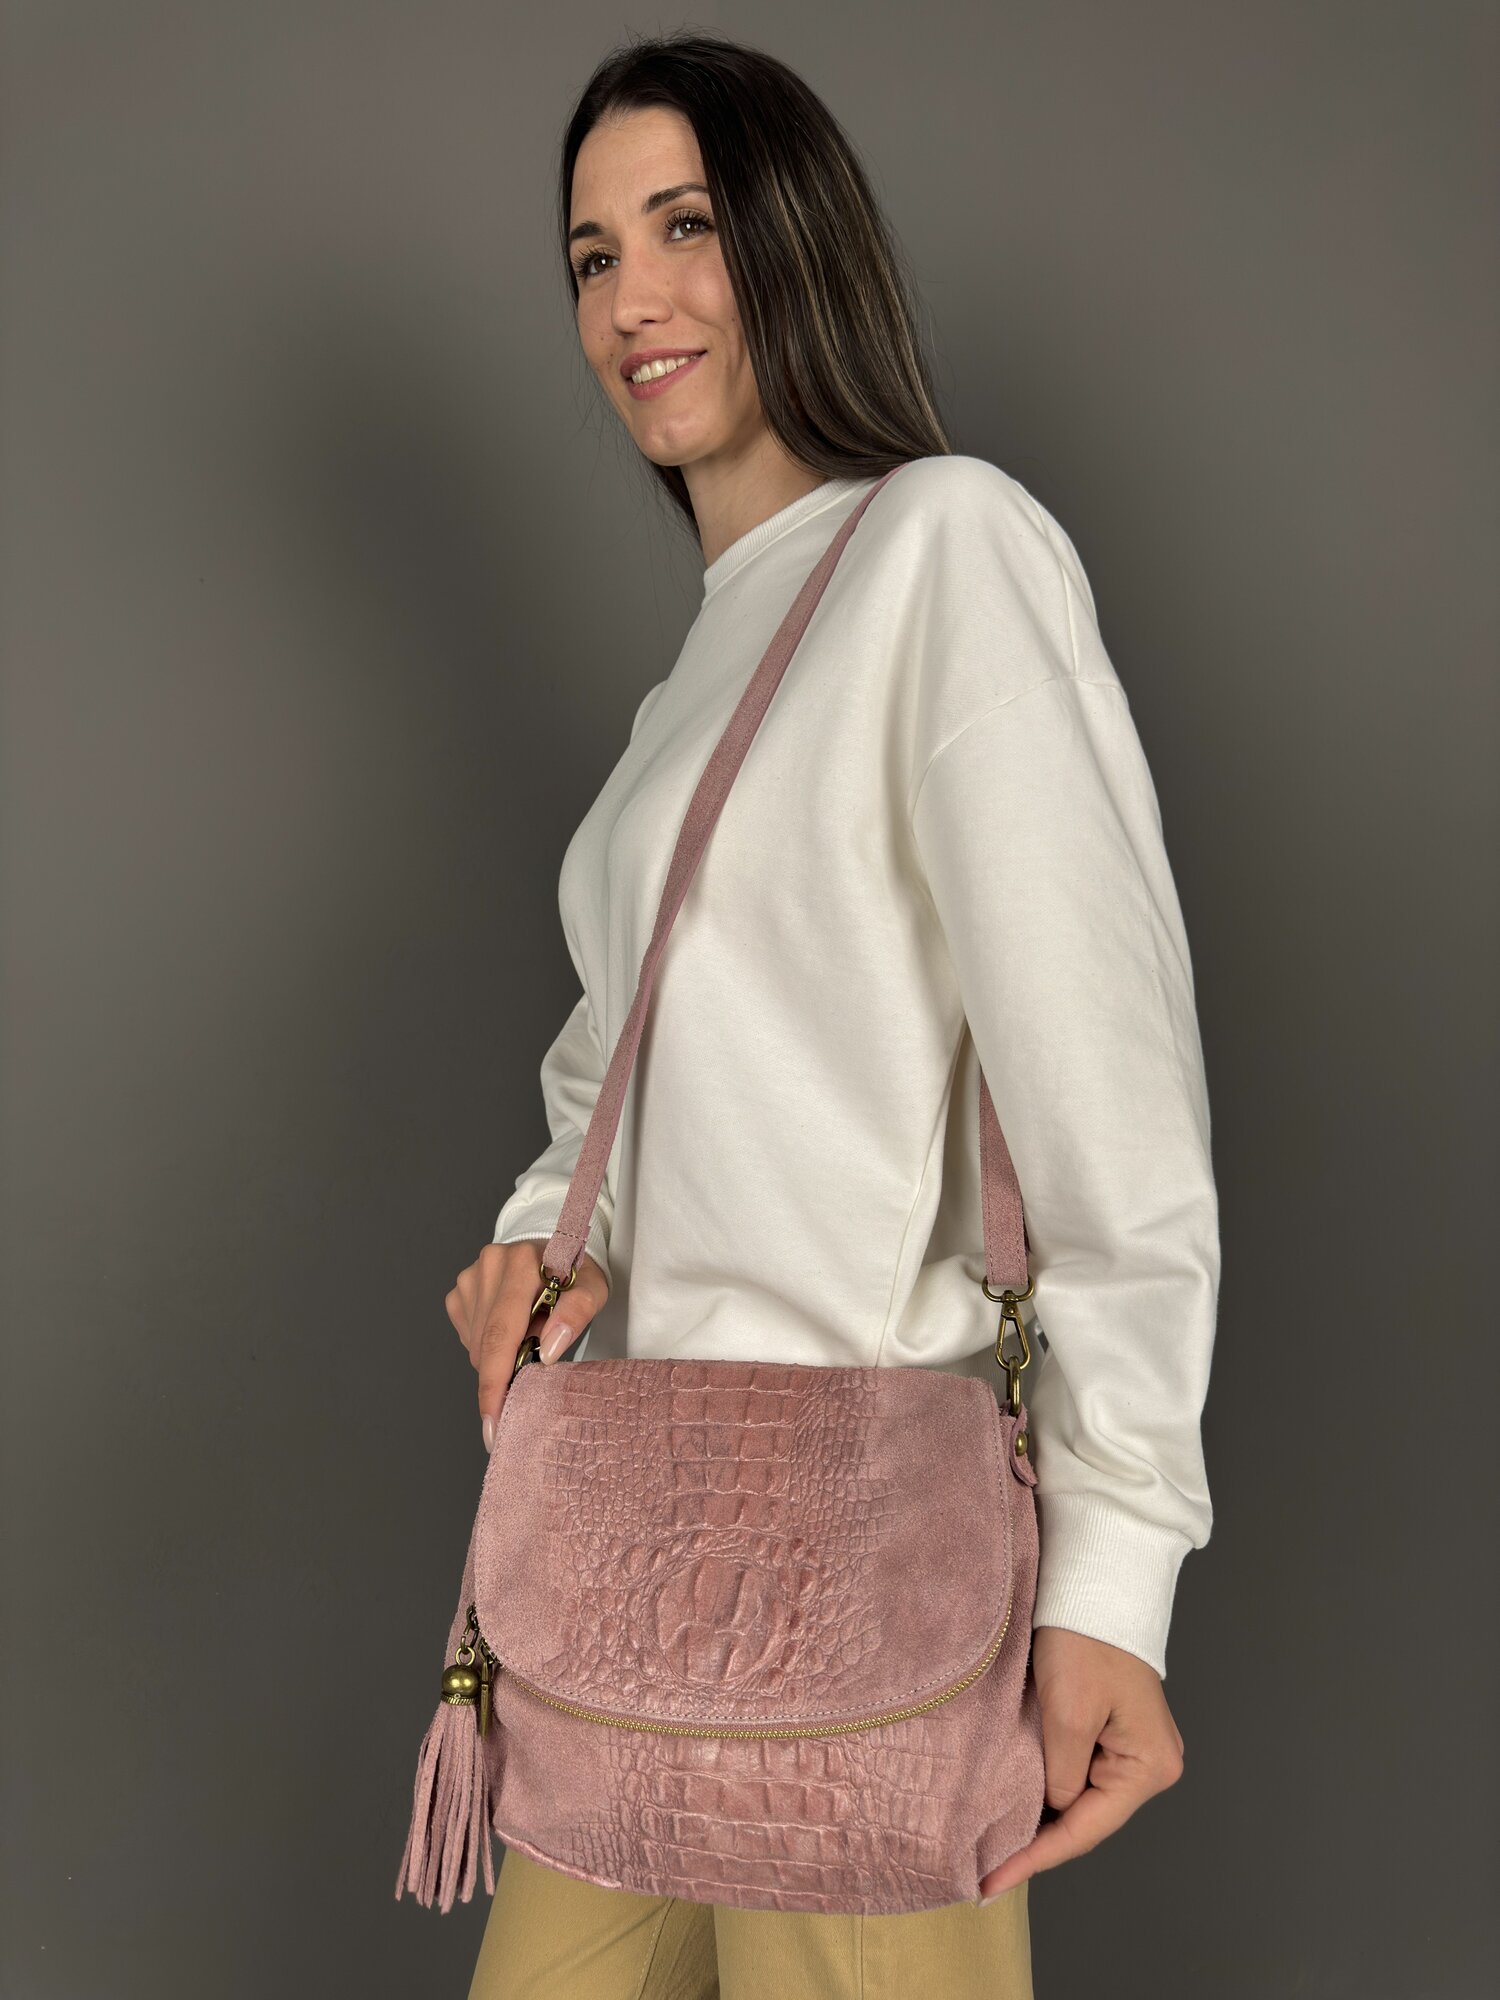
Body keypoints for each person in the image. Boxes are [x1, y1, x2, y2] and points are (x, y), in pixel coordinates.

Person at [443, 29, 1219, 2000]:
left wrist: (1116, 1576)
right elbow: (619, 1071)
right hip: (633, 1553)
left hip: (868, 1583)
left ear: (795, 235)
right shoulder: (683, 694)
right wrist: (543, 1232)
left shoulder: (945, 545)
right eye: (592, 256)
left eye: (684, 225)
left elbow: (1109, 1103)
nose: (633, 298)